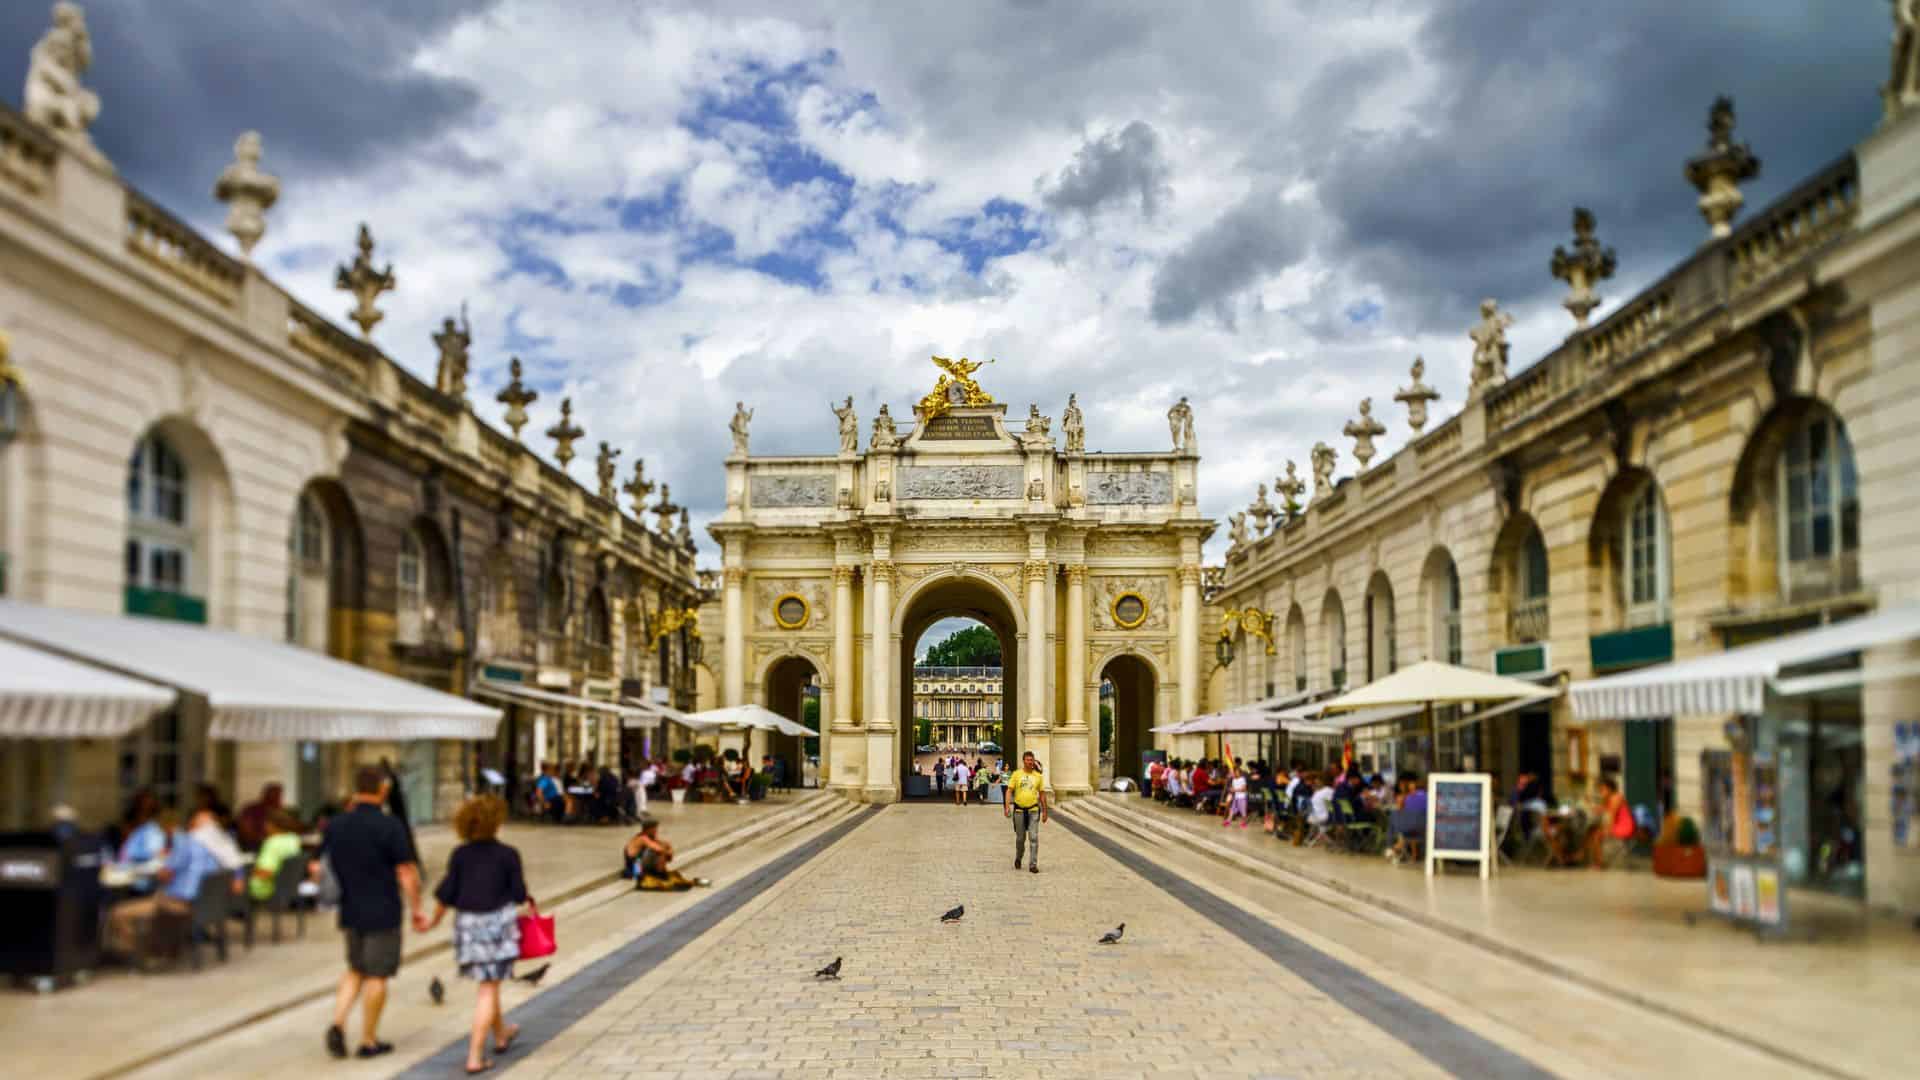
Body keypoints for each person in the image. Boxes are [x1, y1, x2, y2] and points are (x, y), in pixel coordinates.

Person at [418, 795, 530, 1075]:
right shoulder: (508, 854)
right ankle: (474, 1056)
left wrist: (432, 922)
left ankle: (501, 1034)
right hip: (496, 924)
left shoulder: (460, 854)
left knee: (488, 983)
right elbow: (518, 894)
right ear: (496, 822)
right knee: (488, 988)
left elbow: (446, 893)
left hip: (467, 925)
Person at [319, 764, 424, 1061]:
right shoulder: (390, 826)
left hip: (350, 908)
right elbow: (405, 871)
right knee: (377, 975)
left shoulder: (337, 824)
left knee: (355, 969)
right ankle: (368, 1040)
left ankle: (338, 1023)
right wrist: (416, 908)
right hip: (383, 909)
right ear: (383, 789)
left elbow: (320, 867)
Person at [104, 811, 222, 961]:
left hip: (176, 904)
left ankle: (139, 954)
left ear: (191, 826)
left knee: (117, 912)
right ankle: (156, 947)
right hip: (201, 904)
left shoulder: (187, 845)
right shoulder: (212, 849)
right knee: (149, 899)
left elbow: (164, 874)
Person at [624, 815, 710, 890]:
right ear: (649, 829)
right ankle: (660, 874)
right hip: (635, 867)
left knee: (664, 848)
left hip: (640, 863)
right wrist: (668, 852)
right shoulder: (642, 838)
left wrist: (669, 849)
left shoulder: (650, 836)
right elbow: (658, 849)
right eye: (655, 828)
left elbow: (665, 844)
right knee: (661, 852)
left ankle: (660, 872)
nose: (656, 830)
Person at [1003, 751, 1049, 873]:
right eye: (1028, 760)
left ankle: (1033, 864)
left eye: (1031, 760)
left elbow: (1042, 794)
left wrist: (1045, 811)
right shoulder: (1016, 774)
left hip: (1033, 810)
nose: (1030, 762)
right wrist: (1007, 807)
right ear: (1023, 761)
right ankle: (1018, 857)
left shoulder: (1038, 777)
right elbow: (1009, 791)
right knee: (1020, 839)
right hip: (1019, 811)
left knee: (1034, 837)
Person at [250, 810, 305, 902]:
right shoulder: (294, 839)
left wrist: (247, 872)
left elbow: (266, 872)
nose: (264, 827)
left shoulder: (271, 843)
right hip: (289, 887)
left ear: (271, 825)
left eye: (265, 824)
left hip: (266, 889)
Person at [1586, 777, 1634, 869]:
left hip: (1624, 827)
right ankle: (1582, 856)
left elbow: (1611, 815)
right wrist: (1590, 805)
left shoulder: (1616, 797)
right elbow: (1601, 810)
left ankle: (1599, 863)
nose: (1601, 792)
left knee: (1596, 834)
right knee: (1590, 831)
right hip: (1617, 826)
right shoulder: (1610, 799)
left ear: (1609, 788)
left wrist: (1608, 830)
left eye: (1602, 790)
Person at [236, 782, 286, 852]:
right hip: (253, 846)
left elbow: (286, 828)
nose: (279, 799)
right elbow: (248, 834)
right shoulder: (251, 809)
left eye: (279, 796)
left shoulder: (275, 811)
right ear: (266, 795)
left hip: (267, 844)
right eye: (277, 795)